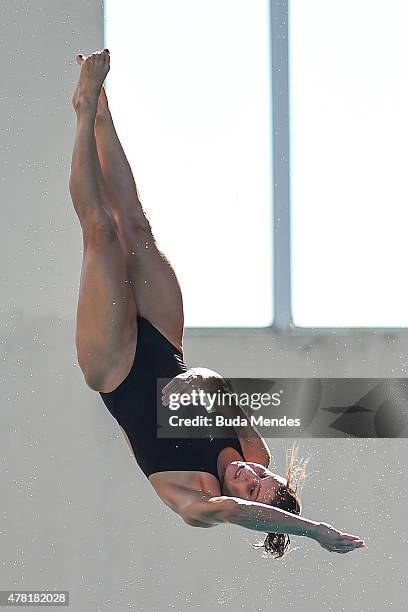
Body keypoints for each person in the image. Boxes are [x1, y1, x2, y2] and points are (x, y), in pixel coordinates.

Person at [69, 49, 366, 558]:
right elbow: (216, 385)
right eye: (263, 476)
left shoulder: (199, 504)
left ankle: (81, 108)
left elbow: (241, 512)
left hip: (114, 369)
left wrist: (314, 532)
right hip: (166, 350)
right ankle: (102, 114)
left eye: (250, 486)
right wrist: (202, 380)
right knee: (136, 225)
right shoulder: (255, 450)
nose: (249, 473)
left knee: (102, 234)